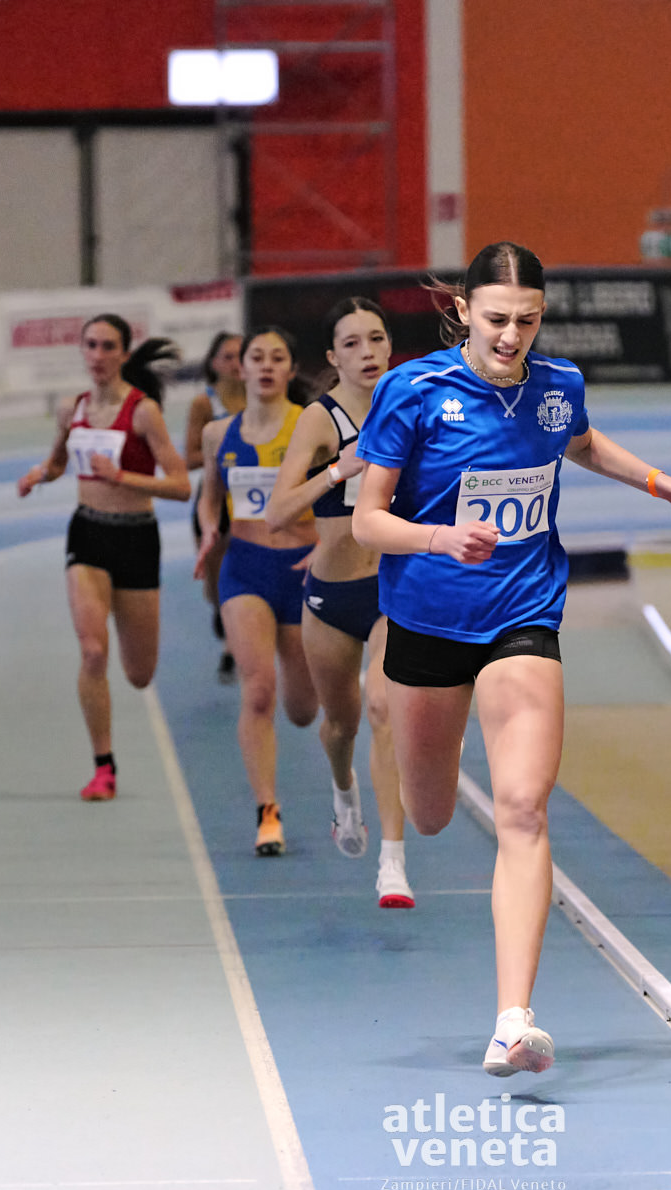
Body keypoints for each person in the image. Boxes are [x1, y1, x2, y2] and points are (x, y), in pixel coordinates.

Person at [351, 241, 671, 1077]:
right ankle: (429, 749)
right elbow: (367, 520)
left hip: (522, 613)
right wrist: (441, 537)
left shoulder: (559, 386)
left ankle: (513, 1020)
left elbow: (582, 443)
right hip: (425, 621)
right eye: (495, 319)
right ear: (463, 311)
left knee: (523, 806)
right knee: (430, 812)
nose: (510, 336)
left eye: (526, 321)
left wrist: (666, 486)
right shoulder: (413, 390)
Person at [265, 297, 414, 907]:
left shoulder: (415, 405)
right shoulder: (318, 420)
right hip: (332, 596)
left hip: (396, 591)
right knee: (339, 725)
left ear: (390, 346)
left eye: (375, 339)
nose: (367, 353)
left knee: (382, 707)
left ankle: (393, 863)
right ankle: (343, 792)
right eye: (351, 344)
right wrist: (337, 471)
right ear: (333, 357)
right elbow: (276, 514)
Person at [17, 314, 191, 800]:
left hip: (136, 539)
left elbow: (181, 485)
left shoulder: (143, 413)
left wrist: (122, 478)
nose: (97, 355)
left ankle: (106, 762)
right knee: (93, 651)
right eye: (90, 345)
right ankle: (103, 767)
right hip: (88, 533)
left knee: (139, 673)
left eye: (107, 346)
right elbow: (59, 461)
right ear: (82, 351)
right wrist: (38, 474)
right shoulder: (70, 409)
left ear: (124, 354)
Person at [198, 327, 322, 855]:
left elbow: (343, 491)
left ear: (291, 369)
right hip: (245, 569)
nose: (267, 365)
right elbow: (210, 496)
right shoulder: (217, 433)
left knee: (303, 708)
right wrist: (210, 529)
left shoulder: (313, 425)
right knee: (258, 689)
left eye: (277, 357)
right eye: (257, 357)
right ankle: (267, 812)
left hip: (303, 571)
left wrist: (329, 545)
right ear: (240, 368)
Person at [187, 332, 247, 679]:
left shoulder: (263, 397)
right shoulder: (204, 403)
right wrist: (225, 451)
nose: (236, 363)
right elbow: (190, 457)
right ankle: (220, 612)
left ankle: (232, 647)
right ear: (214, 363)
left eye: (241, 355)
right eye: (228, 357)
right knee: (214, 583)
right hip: (214, 499)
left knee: (242, 573)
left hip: (251, 500)